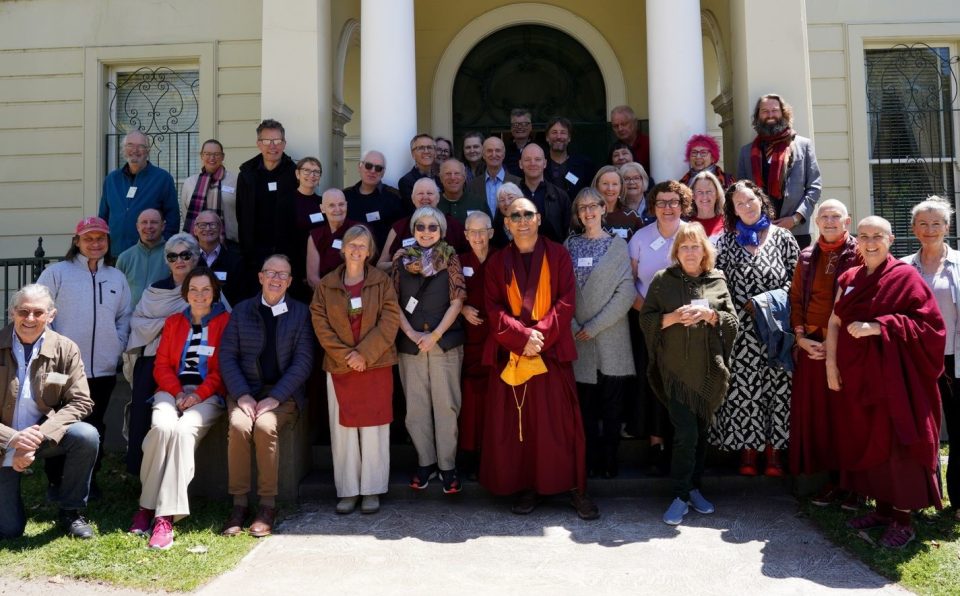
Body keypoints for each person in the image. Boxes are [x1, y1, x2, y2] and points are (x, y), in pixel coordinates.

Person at [827, 216, 945, 549]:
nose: (870, 242)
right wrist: (831, 366)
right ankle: (882, 510)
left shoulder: (905, 276)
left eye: (877, 236)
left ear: (891, 239)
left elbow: (931, 326)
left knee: (899, 446)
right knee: (869, 441)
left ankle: (903, 520)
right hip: (858, 377)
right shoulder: (850, 277)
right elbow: (835, 321)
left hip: (898, 382)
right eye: (863, 236)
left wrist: (879, 327)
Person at [480, 197, 599, 520]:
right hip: (512, 354)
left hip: (549, 354)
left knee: (559, 425)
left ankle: (574, 488)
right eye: (514, 215)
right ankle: (527, 486)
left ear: (539, 218)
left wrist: (538, 338)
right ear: (506, 223)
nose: (521, 220)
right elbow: (493, 308)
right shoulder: (497, 262)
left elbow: (565, 302)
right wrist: (521, 338)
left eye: (527, 214)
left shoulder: (557, 254)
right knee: (521, 426)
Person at [639, 222, 738, 525]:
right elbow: (647, 320)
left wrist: (711, 315)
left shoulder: (717, 280)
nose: (691, 252)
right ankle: (681, 495)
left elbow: (733, 322)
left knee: (703, 434)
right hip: (676, 374)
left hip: (708, 371)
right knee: (686, 434)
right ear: (676, 251)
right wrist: (672, 317)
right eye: (684, 246)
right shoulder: (662, 280)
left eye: (696, 246)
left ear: (705, 250)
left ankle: (694, 489)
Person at [128, 267, 230, 550]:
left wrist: (197, 395)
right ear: (185, 293)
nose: (199, 295)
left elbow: (223, 369)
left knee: (184, 431)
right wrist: (176, 392)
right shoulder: (174, 322)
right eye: (194, 290)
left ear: (214, 293)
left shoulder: (225, 322)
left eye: (205, 290)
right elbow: (161, 366)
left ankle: (164, 516)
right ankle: (146, 506)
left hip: (207, 396)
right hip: (169, 392)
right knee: (162, 428)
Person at [708, 180, 799, 476]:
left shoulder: (783, 237)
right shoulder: (724, 241)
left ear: (761, 201)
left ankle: (773, 453)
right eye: (740, 204)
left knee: (778, 387)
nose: (747, 207)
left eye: (751, 200)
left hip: (775, 327)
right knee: (745, 390)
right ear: (733, 210)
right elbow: (715, 282)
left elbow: (797, 282)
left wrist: (764, 301)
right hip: (741, 331)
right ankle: (748, 452)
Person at [219, 255, 314, 537]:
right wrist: (243, 395)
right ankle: (238, 505)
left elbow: (304, 361)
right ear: (260, 277)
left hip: (282, 394)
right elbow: (227, 356)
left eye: (283, 275)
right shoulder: (241, 311)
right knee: (238, 425)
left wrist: (277, 396)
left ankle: (267, 505)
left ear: (290, 282)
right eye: (271, 273)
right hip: (245, 390)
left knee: (264, 426)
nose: (276, 279)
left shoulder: (300, 313)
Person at [37, 216, 131, 496]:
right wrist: (54, 349)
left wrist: (117, 344)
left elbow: (124, 315)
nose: (95, 243)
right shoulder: (57, 273)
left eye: (100, 238)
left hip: (101, 368)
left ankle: (88, 480)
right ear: (76, 241)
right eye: (88, 238)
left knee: (95, 424)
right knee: (58, 423)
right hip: (60, 368)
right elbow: (40, 310)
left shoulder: (116, 277)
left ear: (108, 242)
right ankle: (56, 481)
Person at [312, 226, 400, 514]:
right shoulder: (326, 285)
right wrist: (347, 356)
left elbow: (390, 321)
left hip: (376, 363)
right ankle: (349, 491)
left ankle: (372, 490)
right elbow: (321, 326)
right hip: (340, 366)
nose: (357, 250)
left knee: (374, 429)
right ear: (343, 248)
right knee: (343, 432)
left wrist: (364, 354)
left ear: (370, 250)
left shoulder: (382, 281)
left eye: (362, 245)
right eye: (352, 244)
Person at [0, 284, 98, 540]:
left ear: (51, 315)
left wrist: (36, 437)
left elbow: (81, 401)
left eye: (38, 312)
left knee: (86, 436)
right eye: (23, 311)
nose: (30, 319)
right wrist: (12, 439)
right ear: (12, 313)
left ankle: (71, 511)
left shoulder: (65, 348)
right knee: (9, 530)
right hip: (2, 440)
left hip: (43, 437)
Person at [788, 199, 860, 503]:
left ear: (847, 221)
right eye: (824, 217)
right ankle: (831, 481)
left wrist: (836, 345)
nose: (830, 221)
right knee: (822, 420)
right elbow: (795, 301)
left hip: (848, 349)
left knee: (849, 420)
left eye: (836, 216)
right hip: (812, 348)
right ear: (816, 222)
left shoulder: (859, 254)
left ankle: (855, 483)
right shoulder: (807, 257)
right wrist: (801, 338)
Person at [392, 206, 466, 493]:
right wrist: (410, 333)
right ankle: (426, 463)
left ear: (441, 231)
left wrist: (435, 334)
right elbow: (393, 301)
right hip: (410, 345)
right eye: (420, 226)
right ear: (413, 230)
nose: (426, 232)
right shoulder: (400, 261)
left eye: (432, 227)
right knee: (416, 408)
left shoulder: (451, 258)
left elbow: (458, 300)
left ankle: (447, 466)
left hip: (443, 342)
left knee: (446, 406)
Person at [564, 188, 635, 478]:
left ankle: (610, 461)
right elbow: (559, 290)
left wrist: (593, 326)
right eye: (582, 207)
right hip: (577, 337)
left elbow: (626, 292)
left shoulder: (618, 245)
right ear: (578, 214)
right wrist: (573, 326)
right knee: (585, 408)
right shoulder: (569, 245)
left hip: (610, 335)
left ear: (603, 208)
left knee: (612, 406)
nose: (588, 212)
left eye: (593, 206)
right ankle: (588, 459)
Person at [124, 233, 203, 474]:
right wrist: (172, 323)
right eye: (172, 256)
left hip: (191, 360)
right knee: (141, 409)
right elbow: (137, 324)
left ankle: (174, 471)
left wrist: (168, 325)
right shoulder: (154, 291)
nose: (179, 260)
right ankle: (139, 470)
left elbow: (217, 320)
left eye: (185, 255)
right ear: (167, 261)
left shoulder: (204, 288)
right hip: (153, 357)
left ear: (195, 258)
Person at [902, 196, 960, 521]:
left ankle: (959, 502)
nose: (930, 229)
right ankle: (924, 495)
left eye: (936, 223)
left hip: (955, 360)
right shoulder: (903, 267)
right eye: (923, 223)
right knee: (922, 431)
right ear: (914, 229)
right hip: (917, 362)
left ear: (947, 227)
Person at [627, 181, 690, 474]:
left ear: (683, 205)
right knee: (651, 382)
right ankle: (655, 442)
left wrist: (681, 316)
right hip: (647, 322)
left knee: (679, 383)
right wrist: (650, 313)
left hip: (685, 324)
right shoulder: (640, 237)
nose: (667, 207)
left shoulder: (692, 234)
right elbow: (628, 282)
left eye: (673, 202)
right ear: (653, 206)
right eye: (662, 202)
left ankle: (680, 442)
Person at [737, 94, 822, 249]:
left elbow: (814, 187)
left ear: (784, 114)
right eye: (764, 111)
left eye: (774, 110)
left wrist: (795, 218)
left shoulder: (803, 145)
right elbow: (741, 193)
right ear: (757, 116)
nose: (770, 115)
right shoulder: (746, 152)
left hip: (796, 231)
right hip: (758, 230)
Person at [99, 130, 179, 256]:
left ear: (148, 151)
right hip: (114, 254)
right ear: (123, 150)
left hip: (149, 255)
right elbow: (103, 218)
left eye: (141, 146)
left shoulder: (162, 178)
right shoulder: (111, 180)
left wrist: (162, 249)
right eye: (130, 145)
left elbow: (172, 219)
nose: (135, 150)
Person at [458, 211, 496, 475]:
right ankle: (469, 453)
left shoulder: (502, 257)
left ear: (491, 233)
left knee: (495, 397)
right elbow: (445, 294)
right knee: (470, 398)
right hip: (470, 340)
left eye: (483, 231)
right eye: (473, 231)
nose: (478, 237)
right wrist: (462, 310)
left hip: (497, 339)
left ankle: (493, 452)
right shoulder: (459, 261)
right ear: (465, 235)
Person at [236, 119, 298, 277]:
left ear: (284, 144)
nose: (272, 146)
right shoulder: (246, 175)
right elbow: (241, 214)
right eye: (266, 141)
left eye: (277, 140)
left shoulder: (295, 174)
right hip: (254, 254)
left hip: (288, 252)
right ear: (258, 144)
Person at [378, 178, 468, 268]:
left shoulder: (454, 225)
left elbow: (467, 259)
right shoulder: (399, 227)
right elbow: (380, 265)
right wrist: (400, 263)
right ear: (413, 199)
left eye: (430, 193)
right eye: (420, 193)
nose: (425, 197)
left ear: (438, 198)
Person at [180, 139, 239, 244]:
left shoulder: (235, 181)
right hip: (196, 243)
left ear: (223, 157)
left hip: (229, 243)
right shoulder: (189, 182)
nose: (212, 158)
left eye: (216, 154)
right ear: (201, 156)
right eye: (207, 154)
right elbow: (185, 212)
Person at [343, 150, 405, 252]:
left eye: (378, 168)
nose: (372, 171)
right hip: (350, 258)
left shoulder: (394, 198)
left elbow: (400, 232)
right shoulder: (345, 196)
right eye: (368, 165)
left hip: (380, 262)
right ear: (359, 166)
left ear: (383, 173)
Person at [307, 188, 360, 289]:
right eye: (331, 205)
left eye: (341, 204)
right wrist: (330, 296)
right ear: (322, 208)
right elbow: (312, 278)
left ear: (346, 205)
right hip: (323, 293)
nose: (337, 209)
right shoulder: (315, 235)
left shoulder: (358, 231)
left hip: (354, 293)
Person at [289, 157, 325, 302]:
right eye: (307, 170)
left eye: (316, 171)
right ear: (297, 174)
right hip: (294, 263)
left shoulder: (323, 202)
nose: (312, 175)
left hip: (318, 264)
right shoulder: (286, 201)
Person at [519, 143, 571, 243]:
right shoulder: (512, 196)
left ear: (545, 163)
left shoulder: (560, 197)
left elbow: (567, 234)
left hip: (552, 255)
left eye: (537, 159)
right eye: (527, 159)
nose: (532, 163)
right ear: (520, 164)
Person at [116, 208, 168, 307]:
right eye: (144, 222)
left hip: (162, 319)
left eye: (154, 222)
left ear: (163, 226)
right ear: (137, 226)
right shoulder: (125, 257)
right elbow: (116, 293)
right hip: (130, 319)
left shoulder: (173, 255)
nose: (149, 226)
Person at [192, 210, 246, 305]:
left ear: (221, 229)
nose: (208, 229)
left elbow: (241, 297)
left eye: (213, 224)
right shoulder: (189, 260)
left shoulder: (235, 261)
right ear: (195, 230)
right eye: (202, 225)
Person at [463, 137, 521, 219]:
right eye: (489, 151)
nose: (494, 154)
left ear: (503, 155)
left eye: (498, 151)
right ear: (483, 155)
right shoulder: (473, 185)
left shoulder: (517, 183)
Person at [544, 117, 596, 200]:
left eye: (563, 133)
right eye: (554, 132)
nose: (558, 136)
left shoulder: (584, 165)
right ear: (547, 137)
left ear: (569, 138)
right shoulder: (539, 165)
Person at [593, 165, 643, 241]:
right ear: (597, 186)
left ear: (621, 187)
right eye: (605, 183)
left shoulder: (633, 216)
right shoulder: (587, 215)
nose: (610, 188)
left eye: (615, 184)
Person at [438, 159, 487, 224]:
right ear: (441, 178)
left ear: (464, 177)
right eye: (448, 173)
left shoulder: (478, 203)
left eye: (457, 173)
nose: (452, 177)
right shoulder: (434, 203)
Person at [398, 134, 439, 206]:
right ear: (413, 154)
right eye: (421, 148)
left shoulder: (440, 180)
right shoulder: (406, 182)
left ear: (435, 153)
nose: (426, 151)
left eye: (429, 147)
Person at [610, 105, 651, 175]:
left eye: (624, 124)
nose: (620, 129)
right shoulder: (614, 149)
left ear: (635, 123)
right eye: (616, 126)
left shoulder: (648, 144)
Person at [689, 171, 727, 242]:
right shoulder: (686, 226)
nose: (704, 196)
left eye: (709, 191)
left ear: (717, 194)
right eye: (699, 192)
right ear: (693, 195)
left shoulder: (728, 224)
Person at [491, 182, 524, 250]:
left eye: (510, 197)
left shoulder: (533, 219)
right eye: (502, 200)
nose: (507, 203)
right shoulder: (495, 229)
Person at [620, 161, 654, 226]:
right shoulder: (615, 206)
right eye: (626, 179)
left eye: (636, 178)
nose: (632, 182)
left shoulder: (654, 205)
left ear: (644, 181)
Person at [504, 108, 536, 177]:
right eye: (515, 124)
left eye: (524, 124)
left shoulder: (539, 149)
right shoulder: (503, 151)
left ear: (531, 127)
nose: (520, 127)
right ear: (511, 128)